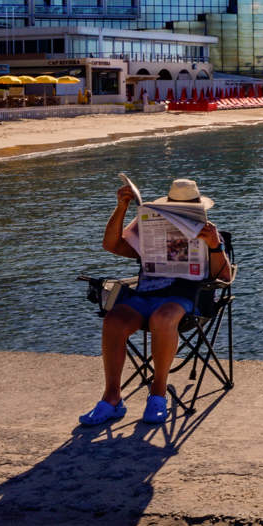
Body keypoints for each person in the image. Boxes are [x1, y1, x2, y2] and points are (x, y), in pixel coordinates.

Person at [79, 178, 231, 427]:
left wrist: (214, 247)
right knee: (114, 320)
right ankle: (112, 398)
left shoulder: (209, 232)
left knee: (163, 317)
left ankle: (158, 394)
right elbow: (111, 245)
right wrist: (121, 208)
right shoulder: (150, 226)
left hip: (186, 299)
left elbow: (224, 277)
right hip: (146, 296)